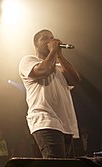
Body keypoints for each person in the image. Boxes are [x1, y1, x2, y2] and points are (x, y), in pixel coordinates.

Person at [19, 29, 81, 158]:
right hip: (46, 121)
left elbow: (75, 79)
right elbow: (43, 70)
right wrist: (53, 51)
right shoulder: (28, 61)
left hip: (66, 125)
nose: (50, 41)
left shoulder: (58, 67)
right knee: (55, 163)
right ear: (35, 44)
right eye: (45, 38)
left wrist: (59, 55)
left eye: (52, 38)